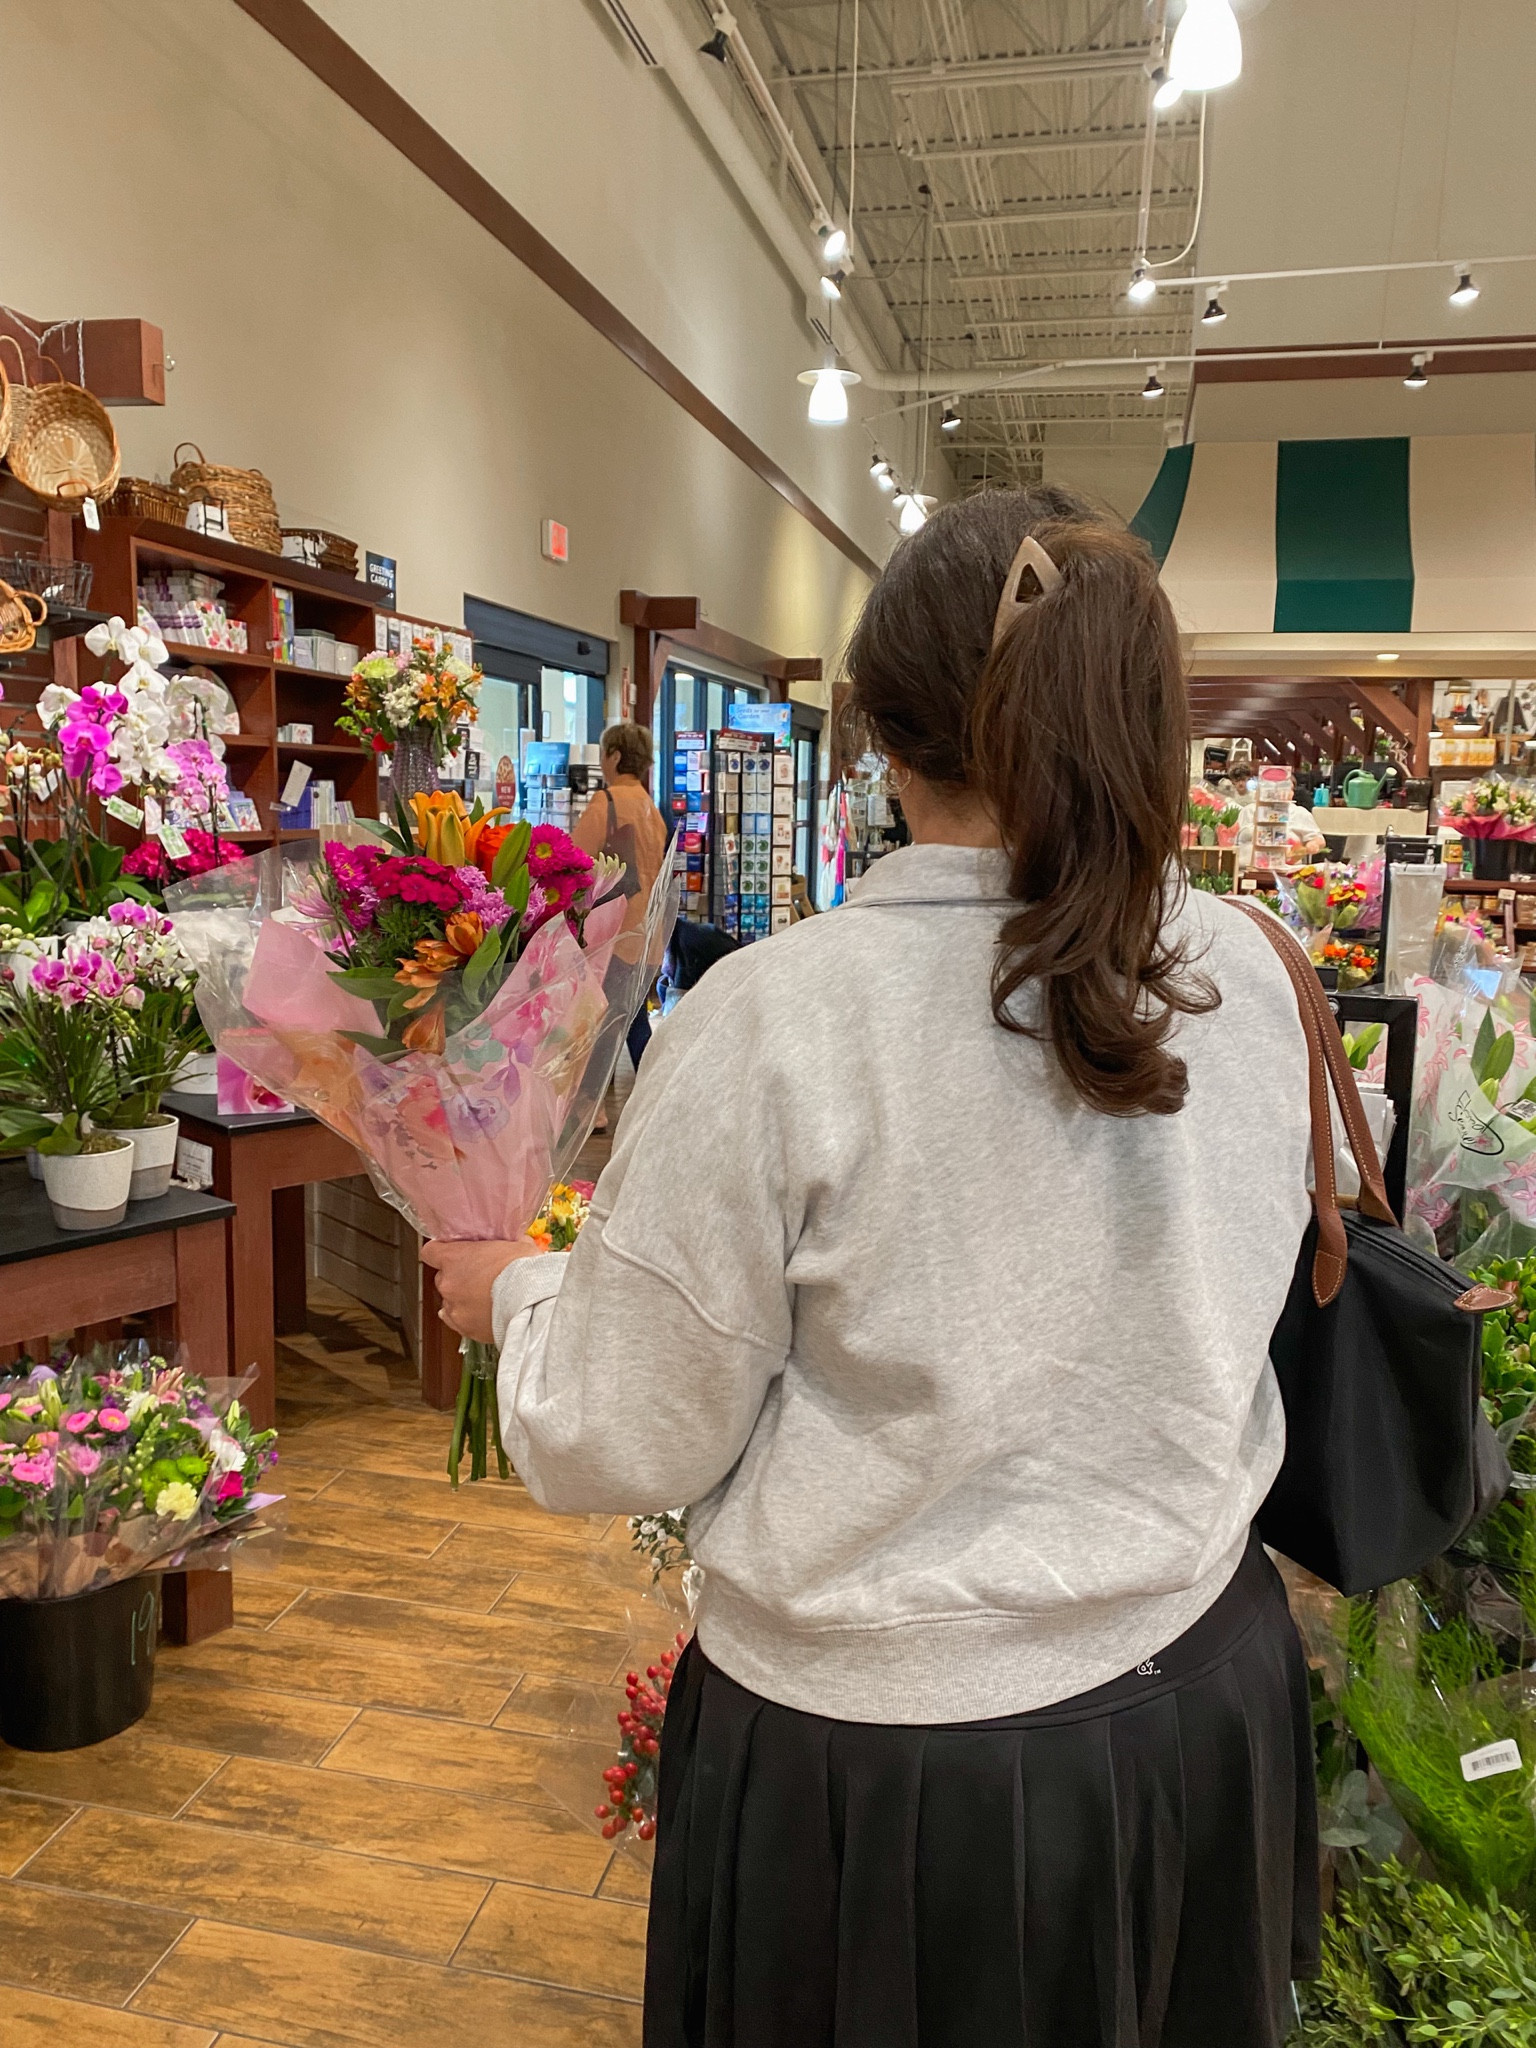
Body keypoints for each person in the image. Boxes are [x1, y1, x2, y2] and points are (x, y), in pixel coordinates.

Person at [423, 487, 1317, 2047]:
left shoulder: (781, 1017)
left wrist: (516, 1293)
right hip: (1206, 1682)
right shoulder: (1245, 963)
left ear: (883, 739)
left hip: (898, 1769)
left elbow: (630, 1434)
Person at [575, 719, 668, 1081]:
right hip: (648, 932)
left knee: (610, 1021)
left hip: (613, 932)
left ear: (614, 756)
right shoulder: (650, 807)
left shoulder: (607, 802)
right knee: (630, 1016)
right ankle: (652, 1086)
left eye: (603, 753)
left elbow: (575, 861)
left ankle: (600, 1099)